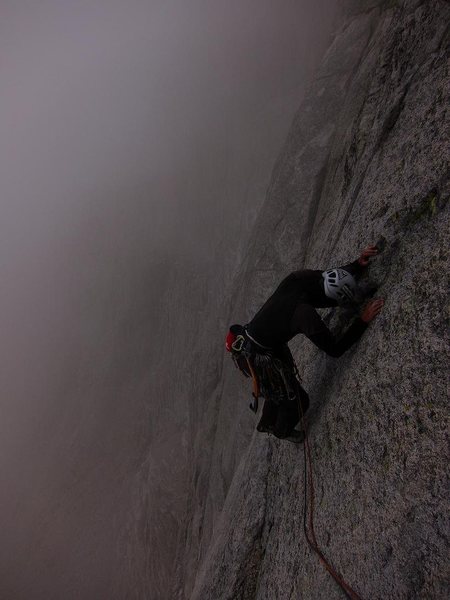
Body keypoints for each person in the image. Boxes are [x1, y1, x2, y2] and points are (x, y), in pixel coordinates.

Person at [225, 245, 384, 443]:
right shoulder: (304, 316)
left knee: (280, 390)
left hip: (255, 342)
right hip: (258, 358)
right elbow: (334, 350)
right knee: (300, 401)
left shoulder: (299, 278)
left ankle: (269, 415)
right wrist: (362, 321)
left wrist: (357, 265)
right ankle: (280, 431)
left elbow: (331, 277)